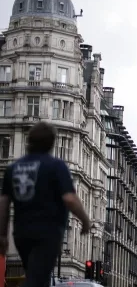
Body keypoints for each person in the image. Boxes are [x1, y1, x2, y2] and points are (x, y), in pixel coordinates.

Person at [0, 122, 92, 287]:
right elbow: (70, 198)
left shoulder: (13, 168)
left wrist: (2, 235)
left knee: (37, 277)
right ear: (51, 143)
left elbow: (3, 204)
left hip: (21, 233)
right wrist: (85, 220)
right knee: (37, 280)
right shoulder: (56, 166)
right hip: (47, 233)